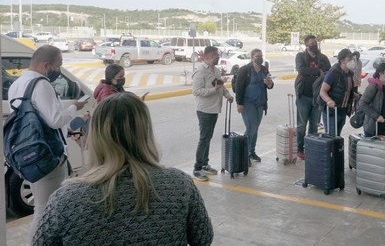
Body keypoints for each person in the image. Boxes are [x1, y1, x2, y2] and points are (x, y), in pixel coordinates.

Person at [31, 92, 214, 245]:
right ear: (145, 132)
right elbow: (204, 238)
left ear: (97, 136)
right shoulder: (180, 185)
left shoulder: (65, 200)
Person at [7, 45, 87, 241]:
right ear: (46, 65)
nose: (58, 71)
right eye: (58, 66)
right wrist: (74, 107)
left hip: (29, 154)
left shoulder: (18, 84)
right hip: (47, 156)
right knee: (45, 210)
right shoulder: (41, 84)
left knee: (41, 207)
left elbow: (35, 120)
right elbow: (55, 119)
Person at [192, 46, 234, 181]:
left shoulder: (215, 70)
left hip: (214, 109)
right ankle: (197, 168)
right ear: (208, 56)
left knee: (208, 137)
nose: (218, 57)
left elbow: (220, 85)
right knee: (204, 138)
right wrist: (213, 90)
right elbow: (197, 91)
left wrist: (227, 94)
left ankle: (205, 164)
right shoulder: (200, 72)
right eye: (216, 55)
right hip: (204, 110)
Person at [294, 35, 331, 160]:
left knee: (314, 125)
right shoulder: (301, 56)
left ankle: (311, 147)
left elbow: (328, 72)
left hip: (317, 96)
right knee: (301, 125)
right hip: (303, 95)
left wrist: (320, 72)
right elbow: (301, 69)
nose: (314, 45)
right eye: (311, 44)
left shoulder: (323, 58)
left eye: (315, 43)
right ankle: (300, 148)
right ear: (306, 45)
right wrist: (317, 72)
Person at [235, 48, 274, 163]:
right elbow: (239, 87)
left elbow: (270, 85)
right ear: (252, 57)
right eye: (257, 56)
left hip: (260, 103)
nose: (259, 58)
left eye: (261, 55)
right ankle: (244, 154)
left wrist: (269, 83)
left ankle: (252, 151)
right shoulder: (245, 70)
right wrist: (239, 104)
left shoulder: (264, 69)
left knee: (255, 128)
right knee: (251, 128)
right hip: (248, 103)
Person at [318, 49, 357, 137]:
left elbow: (347, 91)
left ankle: (336, 151)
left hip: (342, 110)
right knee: (332, 137)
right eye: (350, 59)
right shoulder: (333, 73)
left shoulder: (350, 74)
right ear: (342, 61)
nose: (352, 61)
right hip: (332, 111)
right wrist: (329, 101)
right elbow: (322, 91)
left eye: (353, 59)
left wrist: (356, 97)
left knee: (337, 136)